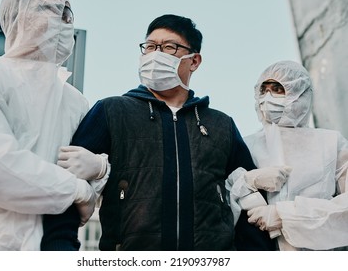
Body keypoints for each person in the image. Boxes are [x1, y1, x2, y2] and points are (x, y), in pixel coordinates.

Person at [41, 14, 275, 251]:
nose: (155, 54)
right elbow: (67, 183)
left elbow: (250, 201)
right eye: (150, 46)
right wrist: (59, 249)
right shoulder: (112, 111)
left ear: (194, 61)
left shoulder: (221, 124)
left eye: (169, 47)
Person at [0, 0, 108, 250]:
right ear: (18, 17)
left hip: (52, 245)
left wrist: (100, 169)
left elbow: (90, 189)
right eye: (47, 9)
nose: (63, 21)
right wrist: (77, 190)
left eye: (66, 13)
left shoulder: (75, 101)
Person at [226, 60, 348, 250]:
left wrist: (285, 215)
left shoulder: (330, 143)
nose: (268, 97)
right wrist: (246, 182)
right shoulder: (246, 145)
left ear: (301, 94)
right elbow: (219, 205)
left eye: (277, 89)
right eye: (263, 90)